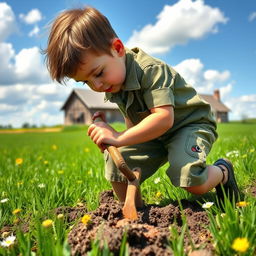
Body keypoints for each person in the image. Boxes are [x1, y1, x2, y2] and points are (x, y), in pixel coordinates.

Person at [44, 6, 239, 205]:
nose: (97, 85)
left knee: (190, 180)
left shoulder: (150, 71)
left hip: (189, 126)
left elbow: (163, 118)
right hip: (155, 134)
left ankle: (223, 171)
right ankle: (137, 216)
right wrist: (117, 144)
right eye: (86, 82)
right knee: (116, 164)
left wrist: (118, 137)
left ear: (118, 48)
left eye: (99, 73)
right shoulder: (114, 84)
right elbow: (132, 121)